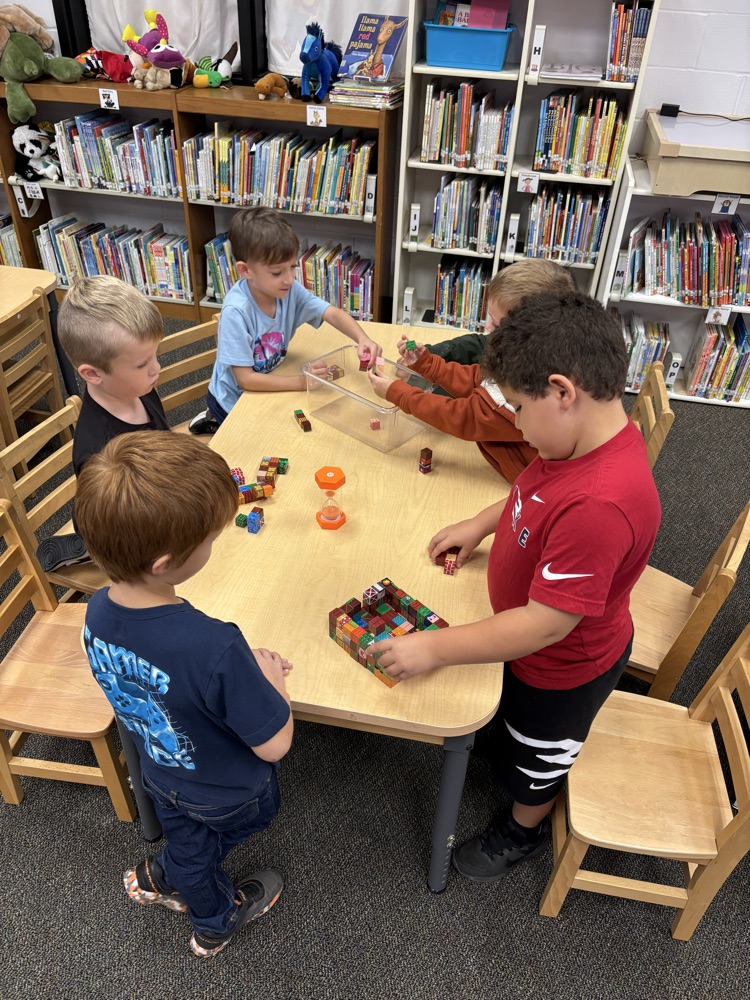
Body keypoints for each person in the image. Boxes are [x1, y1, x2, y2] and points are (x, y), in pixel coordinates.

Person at [369, 291, 661, 884]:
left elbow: (545, 624)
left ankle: (522, 829)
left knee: (539, 758)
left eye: (521, 410)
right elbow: (533, 490)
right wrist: (483, 523)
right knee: (508, 728)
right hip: (531, 647)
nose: (518, 425)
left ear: (562, 391)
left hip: (562, 666)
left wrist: (432, 648)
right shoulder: (578, 442)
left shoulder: (602, 503)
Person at [75, 431, 294, 958]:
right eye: (209, 540)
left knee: (185, 835)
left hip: (158, 772)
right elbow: (275, 745)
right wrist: (273, 683)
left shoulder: (97, 609)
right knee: (210, 846)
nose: (212, 546)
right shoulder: (216, 646)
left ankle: (166, 872)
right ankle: (213, 920)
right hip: (228, 792)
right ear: (165, 562)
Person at [368, 260, 576, 483]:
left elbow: (463, 417)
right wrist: (426, 363)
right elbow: (477, 378)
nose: (487, 329)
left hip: (526, 480)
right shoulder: (530, 356)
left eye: (496, 325)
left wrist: (397, 393)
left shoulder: (531, 392)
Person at [189, 207, 382, 433]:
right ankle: (213, 418)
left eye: (292, 267)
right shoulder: (236, 312)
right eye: (277, 272)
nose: (289, 279)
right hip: (233, 401)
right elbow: (246, 380)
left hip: (271, 376)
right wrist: (301, 382)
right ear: (245, 270)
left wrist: (362, 338)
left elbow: (330, 312)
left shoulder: (288, 290)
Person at [36, 275, 168, 573]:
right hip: (119, 533)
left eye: (154, 355)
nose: (156, 368)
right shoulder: (99, 454)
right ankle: (80, 549)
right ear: (93, 374)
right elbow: (121, 533)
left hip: (150, 497)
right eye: (142, 363)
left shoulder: (137, 388)